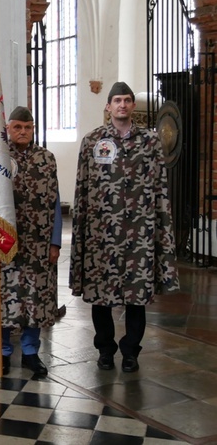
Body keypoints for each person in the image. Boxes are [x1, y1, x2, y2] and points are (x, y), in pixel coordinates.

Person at [70, 81, 179, 373]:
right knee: (100, 296)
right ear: (108, 106)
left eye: (127, 100)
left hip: (139, 233)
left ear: (132, 105)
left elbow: (159, 188)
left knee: (137, 295)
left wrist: (159, 229)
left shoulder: (150, 141)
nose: (122, 105)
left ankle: (131, 352)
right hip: (100, 234)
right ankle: (105, 350)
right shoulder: (93, 141)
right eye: (116, 100)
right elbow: (81, 187)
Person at [0, 106, 61, 376]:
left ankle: (31, 352)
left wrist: (55, 241)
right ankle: (2, 352)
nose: (23, 132)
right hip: (3, 244)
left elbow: (56, 202)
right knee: (4, 297)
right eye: (17, 127)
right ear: (7, 129)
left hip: (38, 243)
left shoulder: (46, 159)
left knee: (35, 299)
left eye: (28, 127)